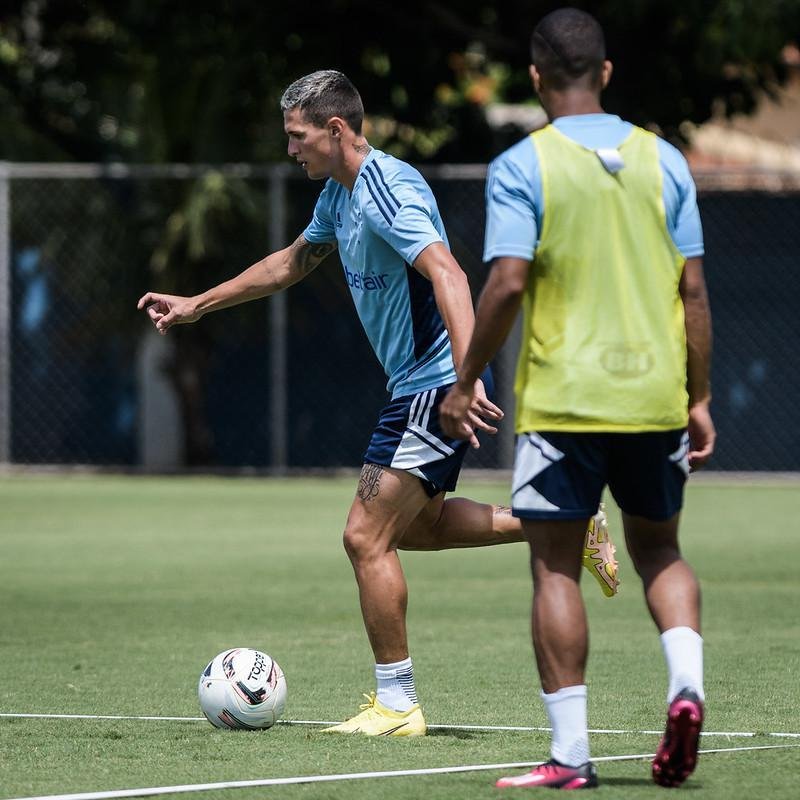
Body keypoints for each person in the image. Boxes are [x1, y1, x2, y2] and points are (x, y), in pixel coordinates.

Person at [138, 69, 616, 738]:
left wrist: (466, 375)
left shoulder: (388, 189)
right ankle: (566, 519)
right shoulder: (341, 193)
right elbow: (291, 263)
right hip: (417, 384)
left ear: (335, 130)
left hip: (432, 383)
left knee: (364, 534)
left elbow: (447, 270)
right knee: (413, 530)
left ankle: (398, 704)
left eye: (297, 136)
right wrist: (196, 304)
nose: (290, 149)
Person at [441, 8, 714, 790]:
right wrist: (698, 397)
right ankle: (686, 687)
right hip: (655, 395)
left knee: (555, 567)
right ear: (606, 73)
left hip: (565, 402)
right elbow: (693, 292)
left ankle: (570, 757)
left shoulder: (524, 166)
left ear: (533, 78)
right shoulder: (667, 162)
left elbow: (507, 282)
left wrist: (464, 381)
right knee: (659, 549)